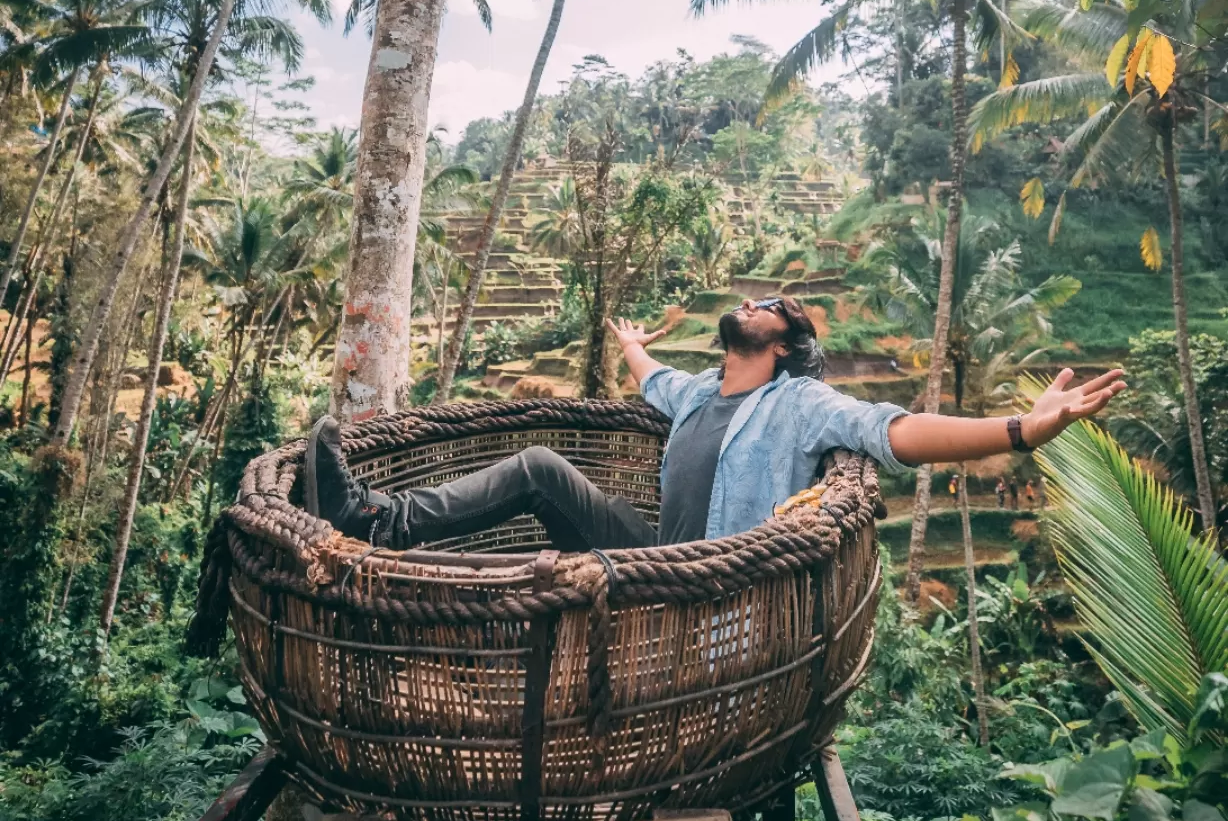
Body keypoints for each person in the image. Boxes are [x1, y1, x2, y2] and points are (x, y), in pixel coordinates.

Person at [302, 296, 1124, 553]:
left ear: (786, 345)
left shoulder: (800, 404)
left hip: (707, 580)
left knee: (539, 474)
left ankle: (374, 521)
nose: (756, 301)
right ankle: (376, 523)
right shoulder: (696, 394)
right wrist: (629, 346)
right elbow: (652, 379)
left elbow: (896, 433)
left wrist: (1019, 429)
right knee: (540, 467)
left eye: (773, 307)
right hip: (650, 553)